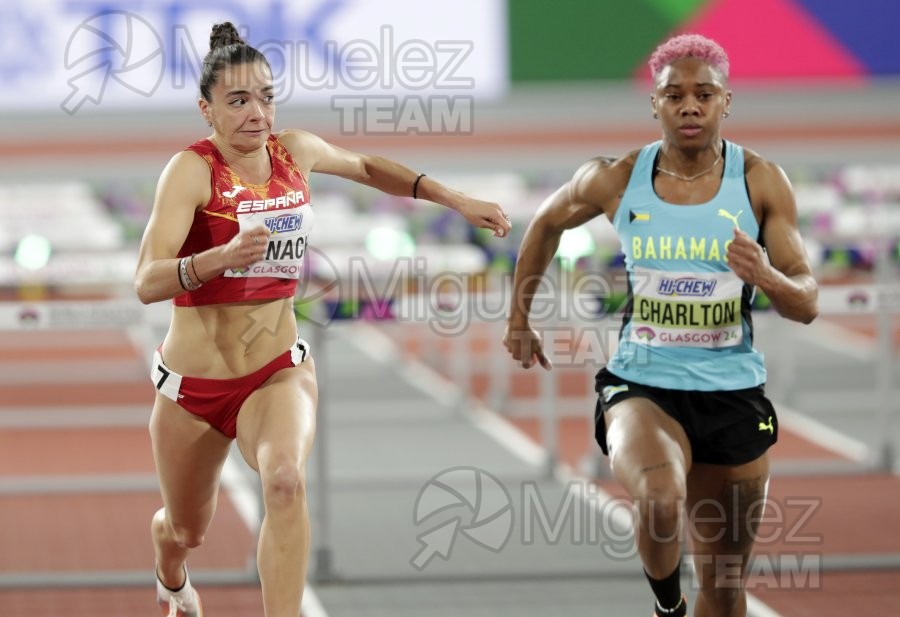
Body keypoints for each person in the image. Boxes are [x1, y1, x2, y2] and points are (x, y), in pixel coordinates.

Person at [134, 22, 510, 617]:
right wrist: (217, 259)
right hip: (192, 390)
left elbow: (365, 167)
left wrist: (454, 198)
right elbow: (146, 280)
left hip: (275, 372)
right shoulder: (191, 172)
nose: (257, 113)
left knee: (284, 480)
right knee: (186, 530)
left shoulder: (296, 152)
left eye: (266, 96)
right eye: (237, 101)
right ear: (206, 110)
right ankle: (169, 566)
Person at [503, 34, 818, 617]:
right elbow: (545, 224)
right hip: (642, 383)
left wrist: (766, 276)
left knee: (724, 593)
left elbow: (807, 302)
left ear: (728, 102)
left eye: (704, 94)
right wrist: (519, 316)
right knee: (659, 499)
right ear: (655, 104)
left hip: (733, 393)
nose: (690, 106)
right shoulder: (617, 178)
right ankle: (667, 609)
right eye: (675, 95)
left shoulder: (760, 182)